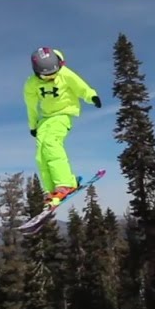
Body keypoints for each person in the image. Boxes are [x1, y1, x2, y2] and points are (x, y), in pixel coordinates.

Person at [24, 47, 102, 208]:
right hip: (45, 119)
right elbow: (31, 106)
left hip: (63, 114)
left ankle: (65, 184)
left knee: (52, 143)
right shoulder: (31, 84)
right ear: (37, 72)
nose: (52, 78)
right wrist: (33, 125)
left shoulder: (65, 73)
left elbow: (80, 86)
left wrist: (91, 96)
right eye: (47, 76)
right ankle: (52, 190)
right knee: (41, 154)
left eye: (54, 73)